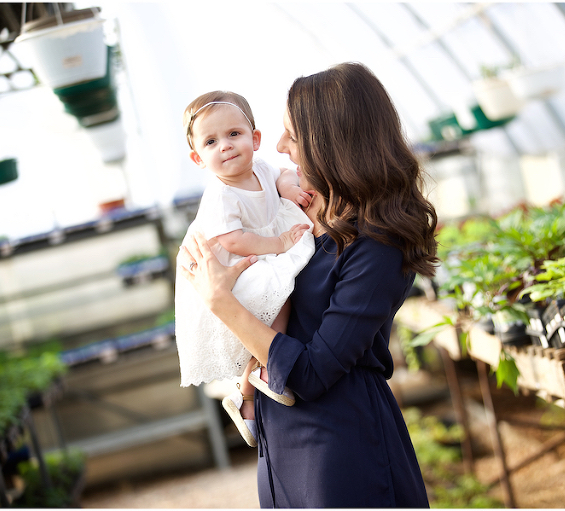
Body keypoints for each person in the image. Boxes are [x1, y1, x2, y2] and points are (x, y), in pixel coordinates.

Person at [180, 62, 438, 508]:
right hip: (284, 441)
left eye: (292, 136)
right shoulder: (318, 218)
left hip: (341, 451)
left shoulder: (378, 248)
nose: (279, 148)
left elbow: (313, 374)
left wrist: (222, 301)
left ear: (333, 144)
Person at [174, 91, 315, 448]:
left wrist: (286, 186)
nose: (225, 145)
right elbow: (235, 241)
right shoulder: (221, 194)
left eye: (234, 134)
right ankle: (261, 375)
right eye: (211, 141)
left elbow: (281, 174)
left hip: (258, 257)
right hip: (235, 268)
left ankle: (247, 394)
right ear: (198, 158)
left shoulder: (261, 169)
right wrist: (278, 245)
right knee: (279, 290)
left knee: (282, 298)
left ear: (255, 139)